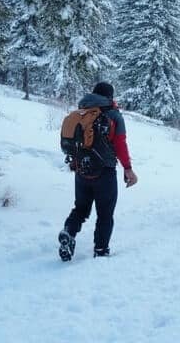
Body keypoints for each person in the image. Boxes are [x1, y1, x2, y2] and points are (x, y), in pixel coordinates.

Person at [58, 82, 138, 261]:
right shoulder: (113, 114)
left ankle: (68, 232)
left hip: (81, 169)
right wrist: (128, 169)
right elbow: (120, 144)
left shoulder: (81, 112)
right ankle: (101, 251)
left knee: (80, 209)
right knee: (105, 214)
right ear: (110, 96)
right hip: (105, 171)